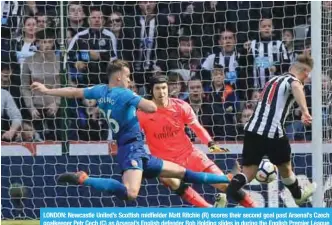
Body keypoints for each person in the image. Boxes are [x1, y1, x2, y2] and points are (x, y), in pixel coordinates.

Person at [31, 60, 231, 201]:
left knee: (184, 173)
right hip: (132, 150)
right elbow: (152, 107)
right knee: (130, 193)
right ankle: (84, 178)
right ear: (118, 77)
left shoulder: (101, 90)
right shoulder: (125, 93)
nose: (129, 80)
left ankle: (227, 179)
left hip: (138, 151)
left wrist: (47, 90)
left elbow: (73, 92)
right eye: (127, 76)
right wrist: (140, 98)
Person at [137, 75, 256, 208]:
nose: (162, 92)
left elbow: (197, 127)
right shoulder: (142, 113)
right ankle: (208, 209)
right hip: (166, 161)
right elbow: (135, 136)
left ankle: (256, 210)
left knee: (225, 185)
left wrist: (210, 144)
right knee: (170, 180)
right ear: (151, 91)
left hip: (189, 154)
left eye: (164, 88)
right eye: (157, 88)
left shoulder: (180, 106)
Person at [226, 54, 316, 206]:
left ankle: (229, 192)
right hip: (272, 132)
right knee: (286, 169)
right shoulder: (293, 80)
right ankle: (298, 195)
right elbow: (295, 86)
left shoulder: (272, 80)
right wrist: (305, 111)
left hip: (252, 130)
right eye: (307, 76)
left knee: (248, 172)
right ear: (306, 73)